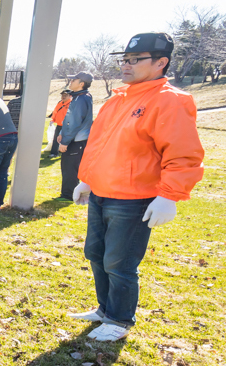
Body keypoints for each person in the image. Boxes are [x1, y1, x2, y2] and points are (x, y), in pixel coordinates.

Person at [68, 32, 204, 342]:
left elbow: (183, 153)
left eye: (135, 60)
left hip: (134, 198)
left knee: (119, 261)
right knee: (96, 253)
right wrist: (87, 179)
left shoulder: (170, 100)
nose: (126, 65)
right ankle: (105, 309)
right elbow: (101, 145)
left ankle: (119, 319)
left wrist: (169, 195)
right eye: (125, 59)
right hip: (102, 192)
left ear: (161, 63)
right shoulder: (120, 98)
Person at [57, 72, 94, 201]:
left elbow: (74, 123)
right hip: (74, 139)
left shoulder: (81, 99)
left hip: (76, 140)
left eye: (74, 80)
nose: (71, 82)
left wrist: (65, 142)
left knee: (70, 167)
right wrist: (62, 133)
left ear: (81, 84)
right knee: (68, 166)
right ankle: (68, 193)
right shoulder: (79, 97)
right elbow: (69, 120)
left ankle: (68, 195)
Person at [46, 89, 72, 159]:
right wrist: (53, 120)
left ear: (70, 96)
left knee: (66, 140)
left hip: (67, 126)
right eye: (63, 95)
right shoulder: (60, 103)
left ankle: (67, 153)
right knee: (56, 139)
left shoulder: (72, 104)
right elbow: (55, 112)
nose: (63, 97)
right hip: (59, 124)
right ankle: (54, 153)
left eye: (66, 95)